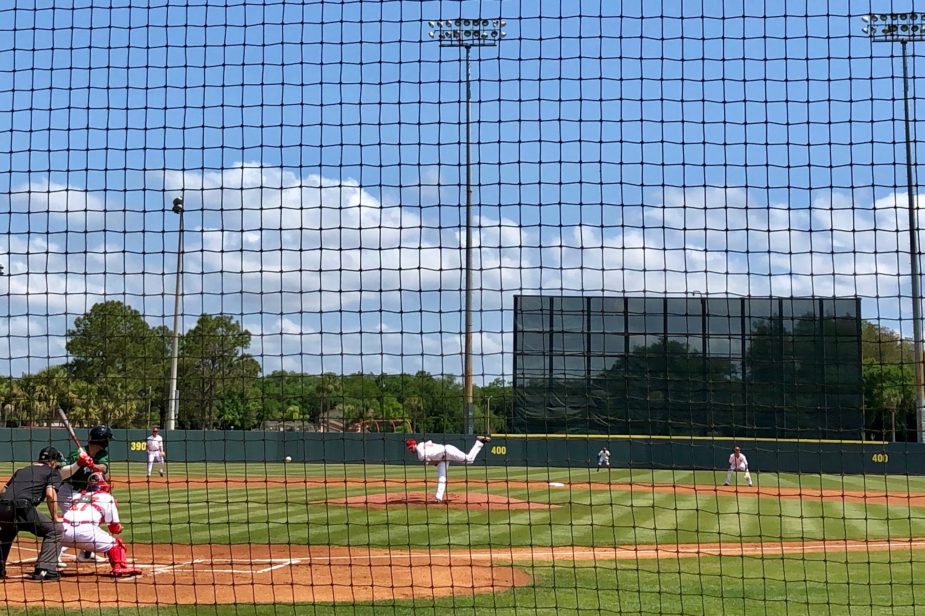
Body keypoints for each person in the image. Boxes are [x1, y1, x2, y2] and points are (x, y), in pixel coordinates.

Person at [0, 446, 65, 581]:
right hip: (23, 507)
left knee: (7, 531)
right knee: (55, 529)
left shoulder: (22, 470)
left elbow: (3, 491)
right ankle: (44, 570)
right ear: (53, 461)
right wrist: (55, 517)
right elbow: (50, 495)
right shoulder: (52, 472)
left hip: (2, 506)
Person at [59, 472, 141, 577]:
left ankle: (47, 565)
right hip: (85, 533)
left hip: (62, 532)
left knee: (53, 539)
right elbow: (114, 528)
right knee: (116, 544)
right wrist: (119, 528)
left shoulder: (79, 497)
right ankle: (119, 567)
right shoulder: (107, 497)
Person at [58, 424, 112, 564]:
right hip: (68, 492)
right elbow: (62, 473)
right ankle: (54, 553)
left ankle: (86, 554)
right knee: (75, 523)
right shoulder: (77, 453)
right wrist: (79, 462)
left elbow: (103, 467)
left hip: (84, 493)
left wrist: (92, 465)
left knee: (91, 518)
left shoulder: (102, 454)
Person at [405, 435, 491, 503]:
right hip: (443, 458)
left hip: (448, 451)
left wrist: (435, 462)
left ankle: (479, 442)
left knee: (469, 460)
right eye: (409, 448)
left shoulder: (420, 455)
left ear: (414, 444)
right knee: (442, 477)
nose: (410, 450)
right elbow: (430, 442)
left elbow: (432, 462)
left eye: (411, 447)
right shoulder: (421, 444)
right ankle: (438, 498)